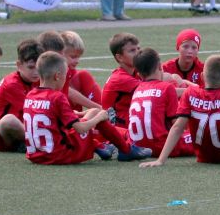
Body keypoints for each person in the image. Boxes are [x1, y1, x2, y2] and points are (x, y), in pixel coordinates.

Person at [23, 51, 151, 164]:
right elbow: (80, 129)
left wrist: (79, 114)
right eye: (65, 75)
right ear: (57, 76)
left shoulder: (30, 95)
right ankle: (126, 150)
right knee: (96, 115)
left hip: (35, 155)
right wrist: (100, 117)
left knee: (92, 112)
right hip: (59, 155)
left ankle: (100, 146)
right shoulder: (57, 97)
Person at [129, 48, 195, 158]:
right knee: (202, 136)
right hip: (162, 146)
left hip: (139, 146)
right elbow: (178, 125)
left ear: (139, 74)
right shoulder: (167, 87)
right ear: (160, 66)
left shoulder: (137, 89)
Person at [0, 39, 43, 152]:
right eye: (31, 67)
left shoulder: (37, 79)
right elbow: (34, 110)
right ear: (19, 65)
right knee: (9, 121)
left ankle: (27, 144)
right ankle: (39, 143)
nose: (36, 72)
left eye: (38, 67)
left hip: (25, 126)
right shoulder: (12, 84)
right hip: (0, 134)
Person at [101, 33, 142, 128]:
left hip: (129, 126)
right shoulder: (120, 78)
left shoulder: (136, 72)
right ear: (119, 57)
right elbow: (156, 89)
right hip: (117, 130)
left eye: (138, 49)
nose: (138, 53)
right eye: (132, 50)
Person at [61, 31, 102, 110]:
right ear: (60, 54)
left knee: (83, 75)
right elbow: (69, 92)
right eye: (73, 57)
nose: (77, 61)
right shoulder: (49, 74)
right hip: (56, 116)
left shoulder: (75, 74)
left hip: (74, 116)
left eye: (78, 57)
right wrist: (100, 108)